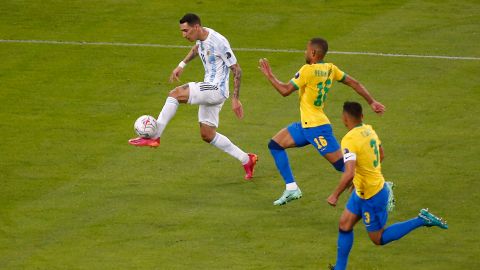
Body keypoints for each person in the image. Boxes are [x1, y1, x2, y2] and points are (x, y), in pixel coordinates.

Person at [129, 13, 257, 180]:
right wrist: (181, 64)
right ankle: (247, 159)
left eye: (186, 31)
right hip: (210, 90)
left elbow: (237, 70)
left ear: (196, 27)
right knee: (207, 134)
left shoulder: (219, 41)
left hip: (215, 89)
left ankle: (155, 135)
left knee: (175, 94)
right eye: (182, 31)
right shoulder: (201, 36)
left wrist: (235, 98)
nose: (184, 35)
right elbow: (198, 48)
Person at [258, 38, 385, 205]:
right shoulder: (331, 69)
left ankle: (383, 188)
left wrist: (270, 76)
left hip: (317, 128)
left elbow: (285, 90)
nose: (305, 52)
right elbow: (354, 83)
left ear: (313, 53)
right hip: (306, 125)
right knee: (275, 144)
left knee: (343, 165)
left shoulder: (307, 70)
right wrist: (371, 101)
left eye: (306, 49)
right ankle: (291, 188)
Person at [327, 101, 448, 270]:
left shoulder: (349, 139)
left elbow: (349, 173)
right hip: (363, 190)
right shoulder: (369, 130)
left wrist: (335, 195)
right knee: (344, 224)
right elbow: (381, 154)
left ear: (344, 119)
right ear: (361, 116)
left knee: (378, 238)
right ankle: (340, 268)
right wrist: (364, 176)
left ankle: (421, 220)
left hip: (373, 195)